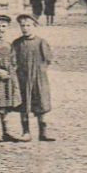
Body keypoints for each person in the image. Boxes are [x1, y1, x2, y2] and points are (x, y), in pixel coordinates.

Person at [12, 13, 55, 141]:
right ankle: (26, 132)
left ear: (34, 26)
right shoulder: (17, 43)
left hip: (38, 78)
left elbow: (48, 59)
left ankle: (43, 132)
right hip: (23, 78)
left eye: (28, 25)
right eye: (23, 26)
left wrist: (39, 71)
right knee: (24, 105)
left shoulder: (41, 42)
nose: (25, 28)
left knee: (41, 104)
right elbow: (13, 60)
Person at [0, 15, 22, 142]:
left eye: (3, 26)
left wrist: (13, 70)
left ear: (8, 28)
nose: (0, 29)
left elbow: (13, 60)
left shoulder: (8, 44)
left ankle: (6, 132)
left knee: (6, 105)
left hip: (8, 79)